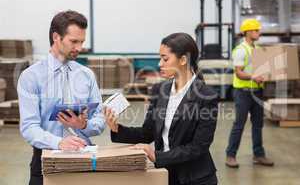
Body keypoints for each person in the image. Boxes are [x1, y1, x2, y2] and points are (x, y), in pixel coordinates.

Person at [104, 33, 219, 185]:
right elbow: (147, 133)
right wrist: (117, 128)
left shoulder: (206, 96)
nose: (159, 64)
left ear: (183, 60)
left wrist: (157, 156)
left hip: (195, 178)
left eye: (165, 59)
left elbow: (198, 147)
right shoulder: (160, 90)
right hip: (165, 175)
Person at [17, 10, 106, 185]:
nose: (79, 48)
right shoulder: (32, 76)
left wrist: (84, 125)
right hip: (46, 161)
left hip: (84, 160)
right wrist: (59, 143)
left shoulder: (87, 75)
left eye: (82, 42)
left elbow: (100, 119)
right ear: (56, 37)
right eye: (74, 41)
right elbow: (29, 127)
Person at [225, 19, 274, 168]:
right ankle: (230, 155)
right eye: (256, 30)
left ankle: (258, 155)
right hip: (243, 93)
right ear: (248, 32)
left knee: (258, 124)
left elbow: (257, 69)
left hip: (257, 91)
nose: (259, 33)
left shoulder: (257, 49)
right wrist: (254, 77)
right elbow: (239, 73)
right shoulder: (241, 50)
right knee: (239, 124)